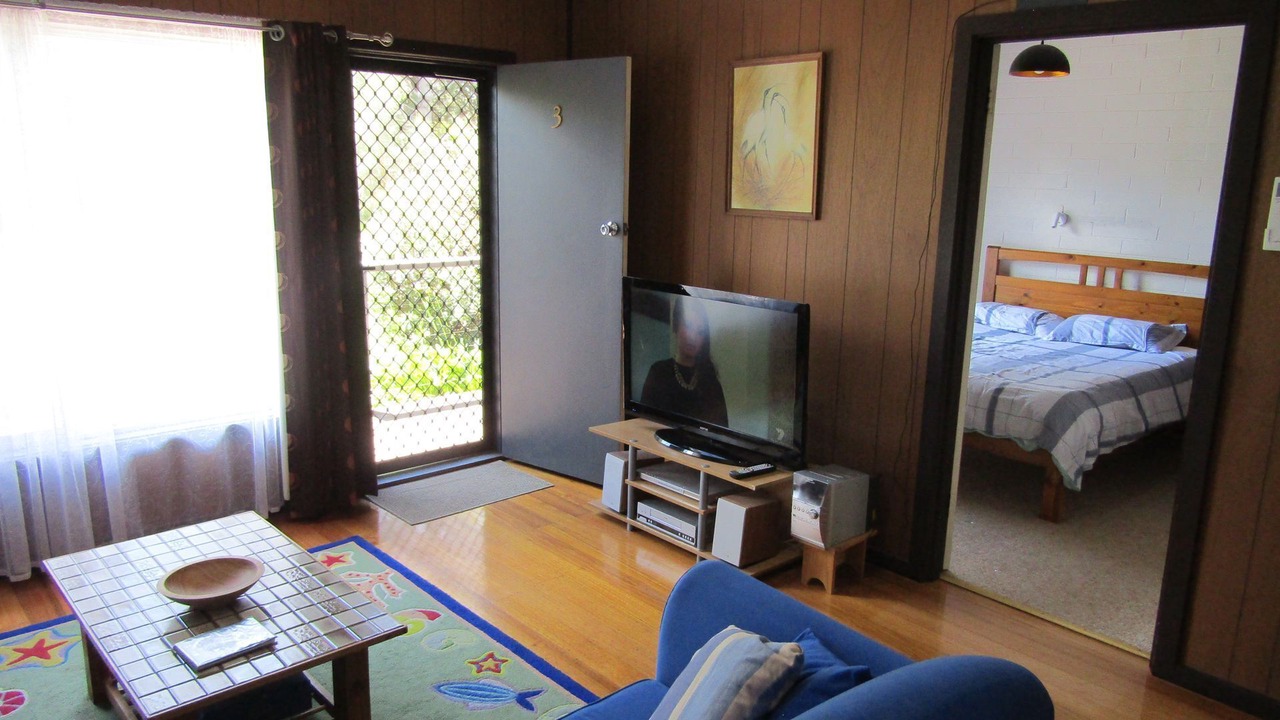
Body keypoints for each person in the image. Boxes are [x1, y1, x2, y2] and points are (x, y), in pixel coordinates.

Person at [640, 297, 728, 426]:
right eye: (688, 326)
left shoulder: (710, 381)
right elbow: (643, 423)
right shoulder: (659, 372)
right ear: (676, 327)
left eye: (700, 332)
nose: (693, 337)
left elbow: (721, 431)